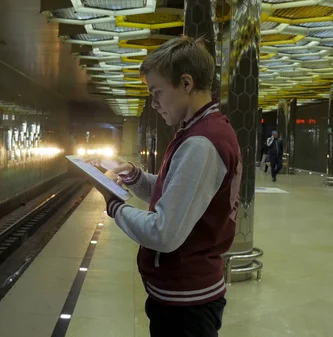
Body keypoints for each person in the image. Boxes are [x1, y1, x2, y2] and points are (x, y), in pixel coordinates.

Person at [89, 36, 242, 337]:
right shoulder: (201, 130)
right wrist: (133, 176)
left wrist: (114, 204)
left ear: (186, 83)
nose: (154, 103)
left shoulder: (201, 142)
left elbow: (164, 232)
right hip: (186, 296)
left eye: (157, 92)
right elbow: (176, 194)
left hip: (186, 305)